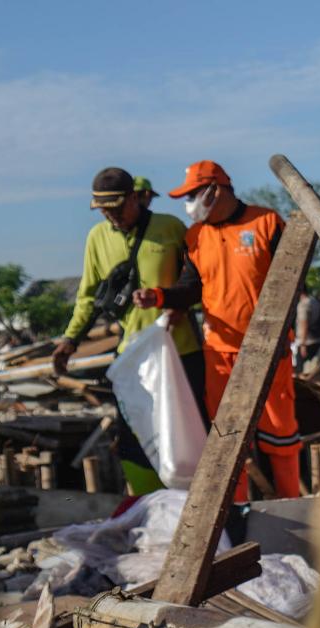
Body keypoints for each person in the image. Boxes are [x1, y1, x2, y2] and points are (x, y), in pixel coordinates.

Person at [133, 160, 302, 500]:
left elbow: (291, 282)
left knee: (280, 434)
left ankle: (289, 503)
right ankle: (234, 508)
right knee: (227, 436)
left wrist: (282, 335)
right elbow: (191, 287)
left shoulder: (267, 222)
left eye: (193, 194)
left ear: (216, 189)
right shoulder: (195, 237)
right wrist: (161, 296)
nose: (189, 203)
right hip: (220, 352)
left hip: (268, 350)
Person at [53, 167, 205, 494]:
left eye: (117, 209)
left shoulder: (170, 228)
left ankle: (197, 509)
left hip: (181, 352)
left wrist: (176, 303)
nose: (111, 217)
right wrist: (70, 340)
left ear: (136, 198)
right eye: (104, 211)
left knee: (190, 435)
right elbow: (89, 296)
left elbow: (196, 281)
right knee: (135, 441)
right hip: (133, 358)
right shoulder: (98, 238)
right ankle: (148, 509)